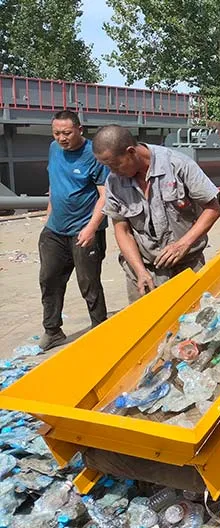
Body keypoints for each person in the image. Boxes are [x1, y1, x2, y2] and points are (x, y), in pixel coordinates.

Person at [92, 125, 220, 303]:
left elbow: (213, 208)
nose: (112, 171)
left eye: (114, 165)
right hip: (144, 270)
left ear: (130, 151)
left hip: (186, 265)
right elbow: (122, 230)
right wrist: (139, 271)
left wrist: (182, 245)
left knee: (192, 322)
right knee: (148, 326)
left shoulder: (177, 165)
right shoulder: (114, 182)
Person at [38, 110, 109, 351]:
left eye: (66, 133)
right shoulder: (53, 149)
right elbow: (53, 181)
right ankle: (52, 330)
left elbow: (104, 196)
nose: (61, 138)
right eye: (56, 133)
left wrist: (91, 228)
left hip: (84, 230)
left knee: (88, 283)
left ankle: (100, 329)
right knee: (49, 280)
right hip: (55, 230)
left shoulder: (94, 154)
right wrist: (49, 216)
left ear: (80, 129)